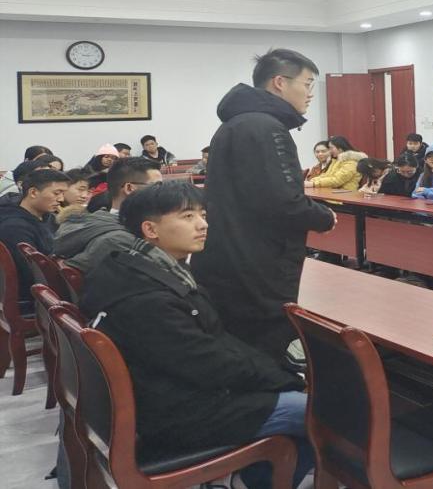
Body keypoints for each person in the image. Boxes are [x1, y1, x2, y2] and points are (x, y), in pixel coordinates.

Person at [80, 182, 313, 489]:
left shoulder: (134, 265)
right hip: (179, 414)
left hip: (166, 394)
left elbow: (209, 346)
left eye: (203, 215)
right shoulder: (146, 297)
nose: (203, 224)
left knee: (293, 387)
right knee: (320, 411)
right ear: (150, 229)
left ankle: (255, 478)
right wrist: (287, 380)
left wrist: (278, 375)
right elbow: (208, 362)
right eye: (188, 216)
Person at [191, 48, 336, 362]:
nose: (310, 94)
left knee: (237, 348)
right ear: (280, 82)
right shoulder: (266, 128)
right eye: (307, 84)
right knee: (264, 352)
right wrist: (325, 217)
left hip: (229, 257)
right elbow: (283, 201)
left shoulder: (236, 124)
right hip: (256, 267)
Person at [56, 158, 163, 273]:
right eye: (157, 186)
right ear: (129, 188)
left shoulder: (92, 223)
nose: (162, 192)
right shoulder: (120, 240)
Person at [0, 168, 70, 302]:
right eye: (56, 193)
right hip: (32, 298)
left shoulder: (49, 217)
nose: (61, 199)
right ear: (33, 192)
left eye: (63, 193)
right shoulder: (14, 227)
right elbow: (31, 272)